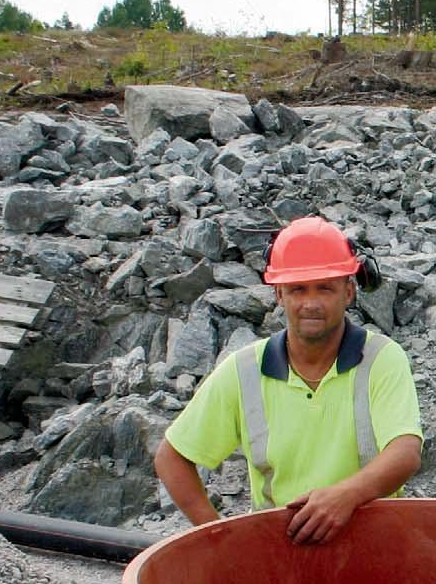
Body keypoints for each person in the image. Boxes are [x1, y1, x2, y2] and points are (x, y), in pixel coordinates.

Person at [154, 216, 422, 545]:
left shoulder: (381, 358)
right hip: (283, 552)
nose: (310, 303)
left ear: (349, 291)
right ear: (279, 294)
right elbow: (172, 457)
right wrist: (221, 539)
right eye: (298, 289)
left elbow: (405, 452)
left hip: (374, 546)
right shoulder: (245, 371)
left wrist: (345, 496)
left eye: (325, 287)